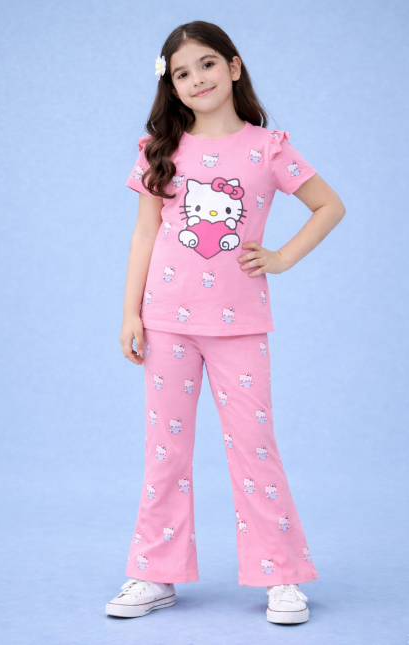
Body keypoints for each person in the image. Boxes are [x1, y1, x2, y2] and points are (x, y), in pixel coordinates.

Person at [105, 20, 345, 625]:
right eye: (182, 73)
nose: (197, 79)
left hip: (240, 326)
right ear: (172, 86)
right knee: (164, 453)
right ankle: (155, 572)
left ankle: (281, 575)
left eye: (207, 64)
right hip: (166, 322)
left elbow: (329, 205)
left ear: (234, 67)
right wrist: (130, 312)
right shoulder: (158, 151)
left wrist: (282, 257)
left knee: (255, 448)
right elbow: (144, 234)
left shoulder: (269, 148)